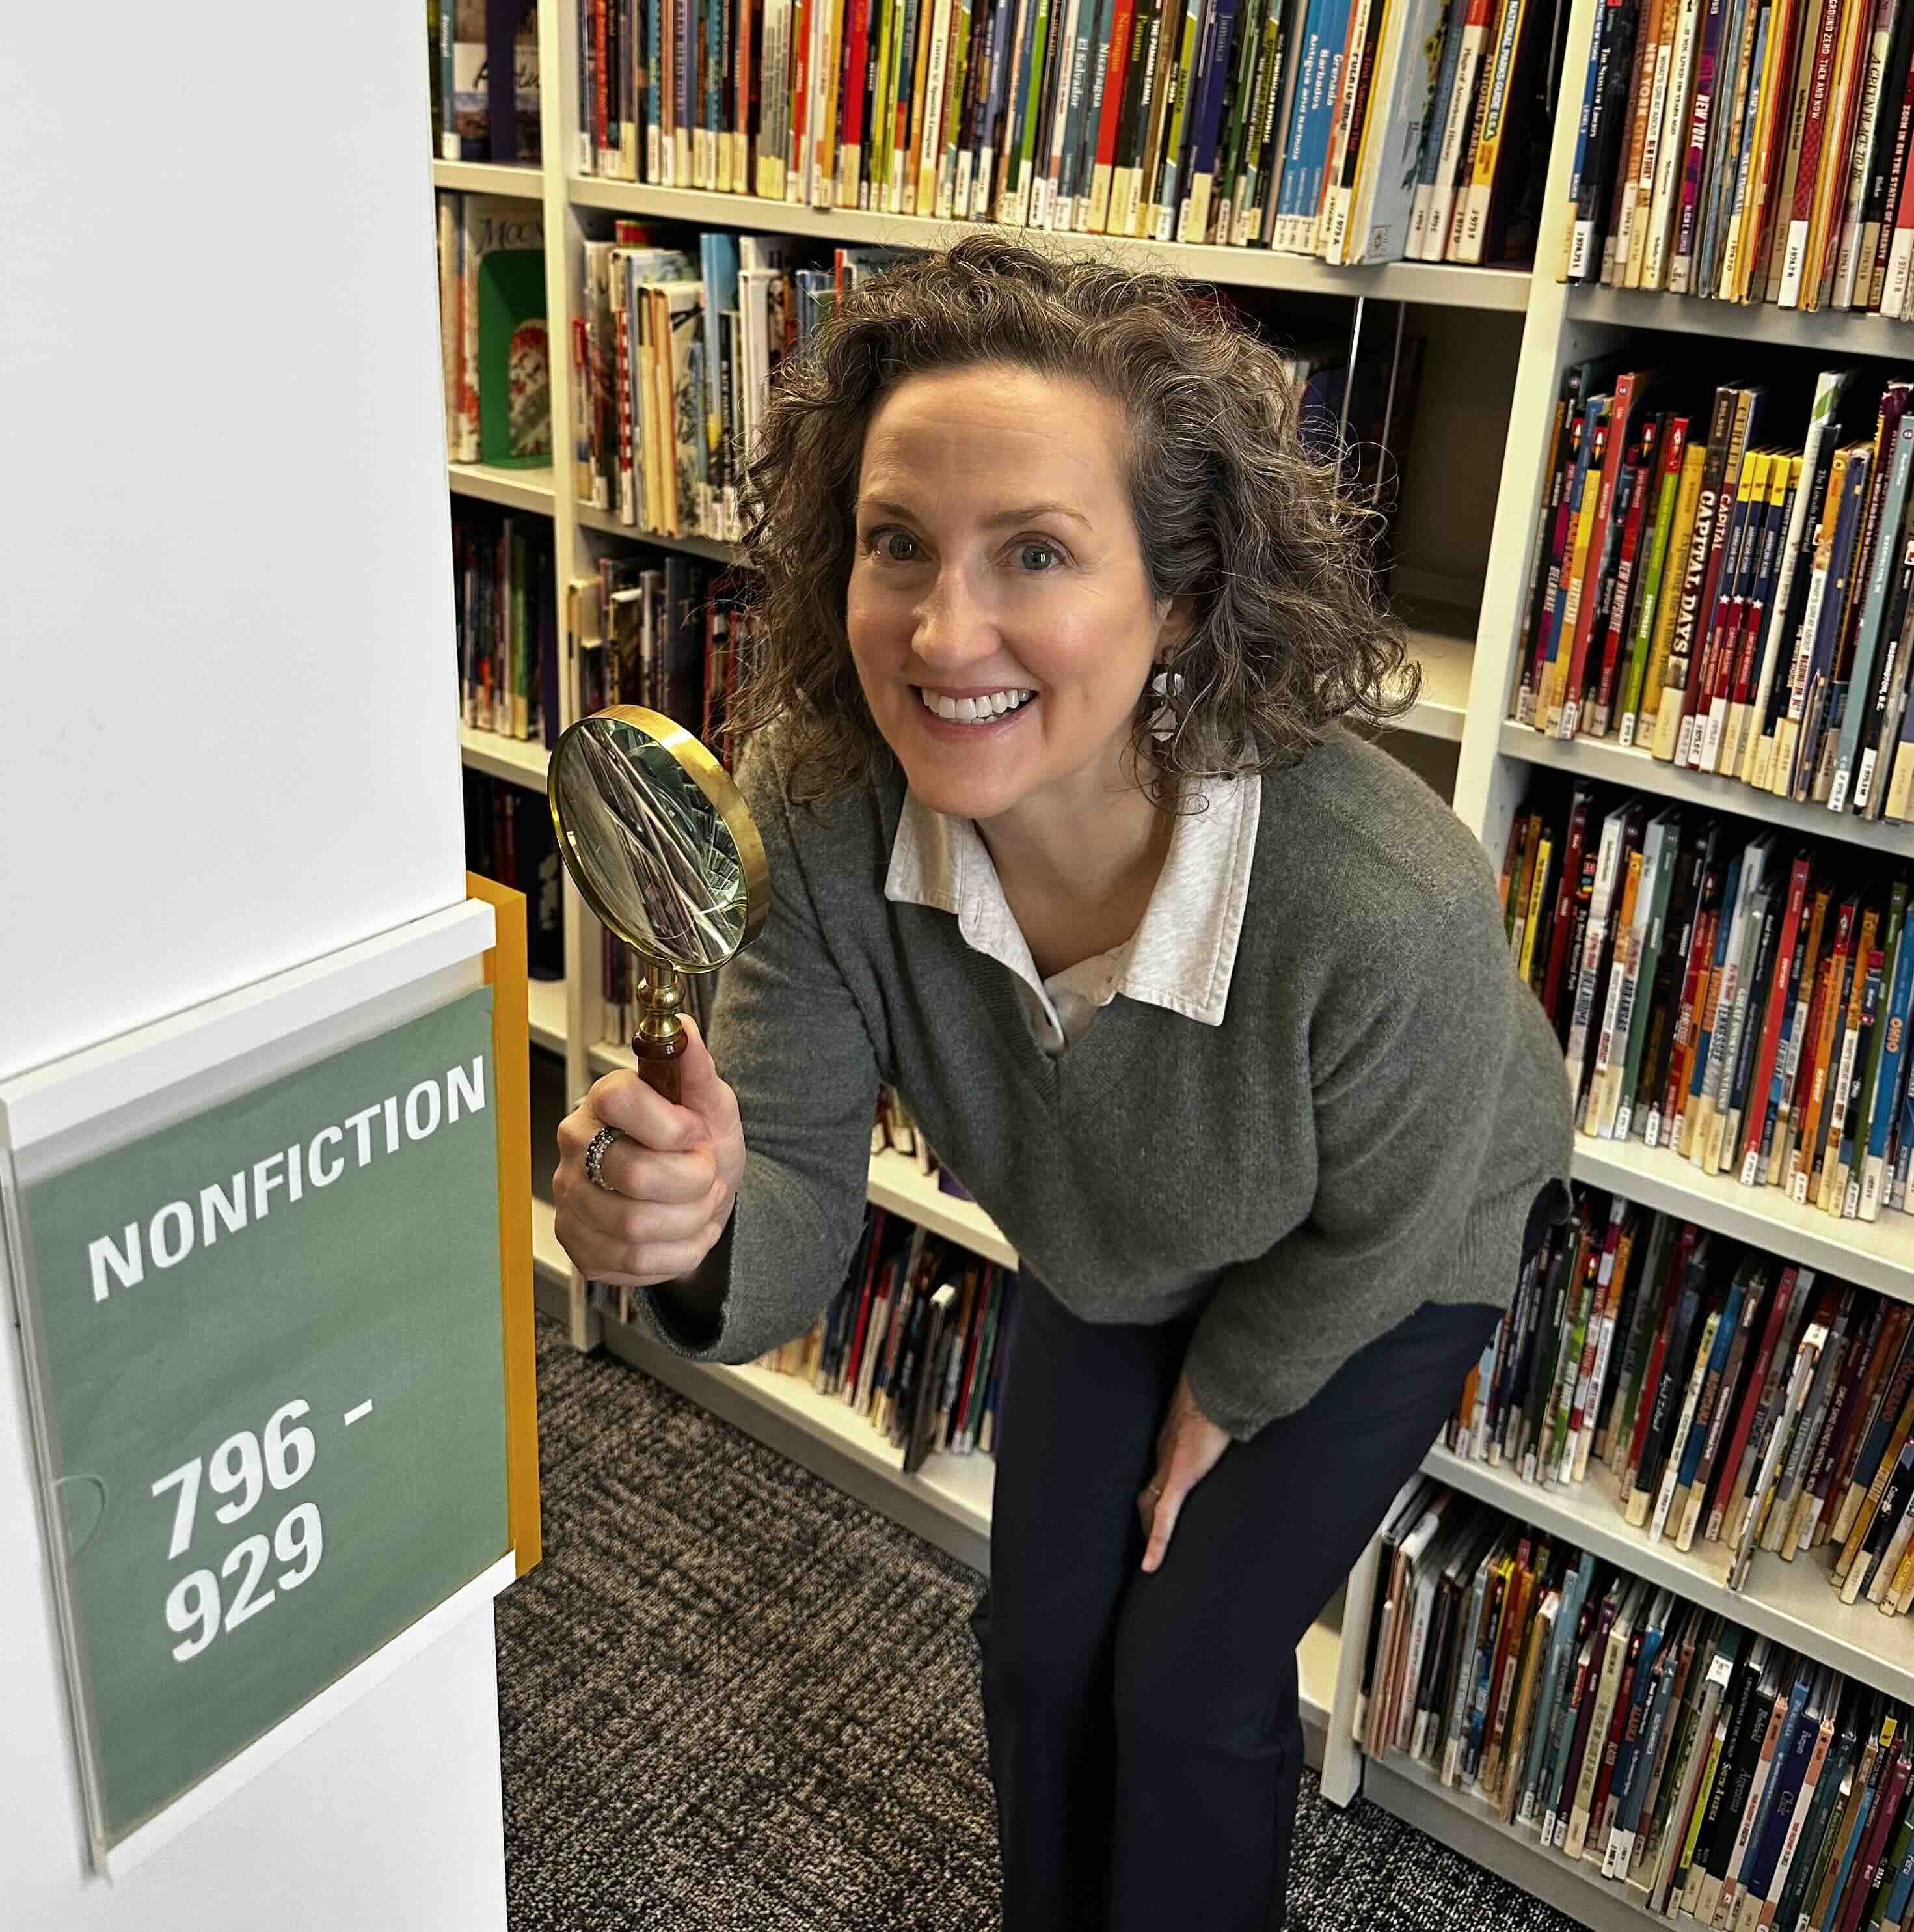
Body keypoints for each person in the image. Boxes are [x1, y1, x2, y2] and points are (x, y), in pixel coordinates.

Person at [552, 234, 1574, 1932]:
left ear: (1180, 595)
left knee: (1186, 1682)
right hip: (1118, 1237)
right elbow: (789, 1188)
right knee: (1038, 1649)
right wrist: (696, 1217)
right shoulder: (815, 807)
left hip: (1383, 1250)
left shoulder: (1383, 902)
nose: (946, 632)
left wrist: (1228, 1388)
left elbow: (1394, 1216)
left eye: (1034, 549)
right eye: (897, 545)